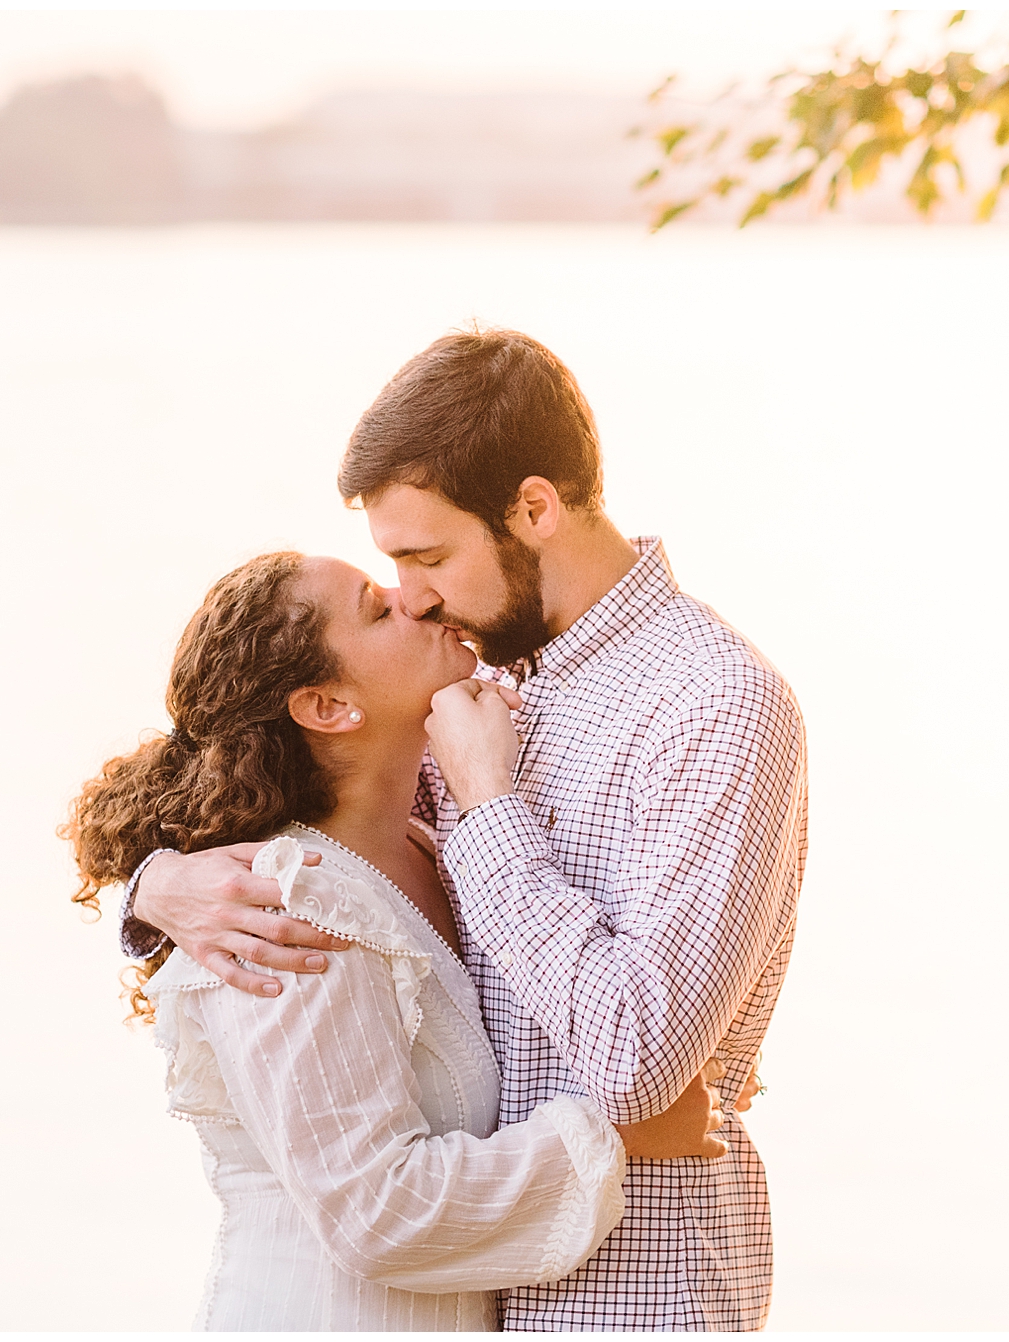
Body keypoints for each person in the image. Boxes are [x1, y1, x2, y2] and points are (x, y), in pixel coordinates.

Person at [127, 329, 809, 1331]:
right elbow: (260, 795)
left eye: (425, 555)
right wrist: (157, 886)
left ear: (533, 507)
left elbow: (634, 1062)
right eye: (389, 568)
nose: (410, 594)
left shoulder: (713, 706)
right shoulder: (465, 677)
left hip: (634, 1300)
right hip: (460, 1301)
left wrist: (490, 809)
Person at [65, 550, 731, 1331]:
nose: (414, 598)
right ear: (327, 706)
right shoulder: (288, 905)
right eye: (377, 609)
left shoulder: (427, 836)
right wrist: (616, 1134)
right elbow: (376, 1209)